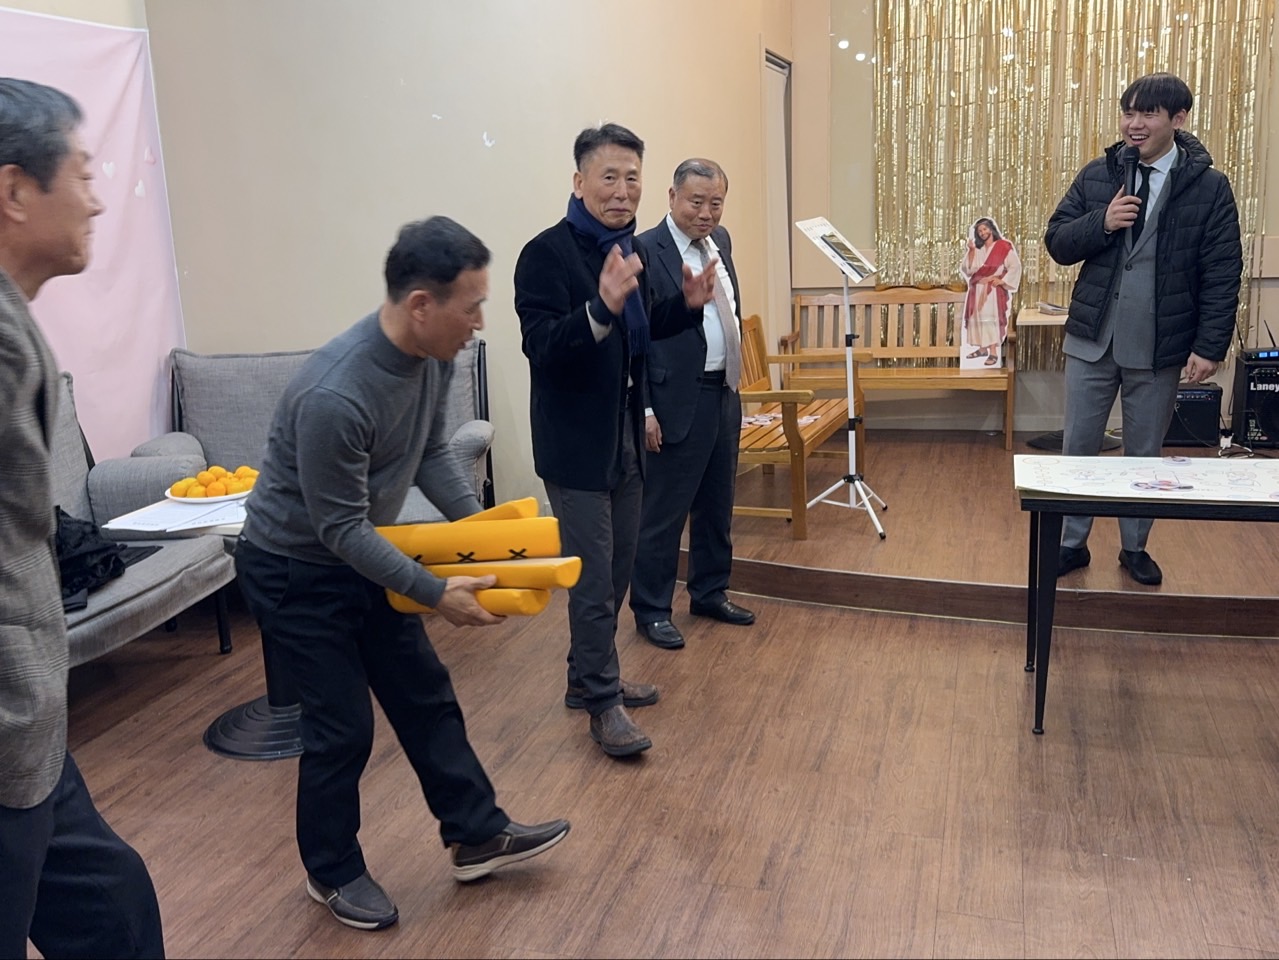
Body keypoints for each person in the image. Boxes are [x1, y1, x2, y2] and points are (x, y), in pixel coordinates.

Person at [235, 216, 570, 932]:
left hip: (362, 550)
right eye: (471, 307)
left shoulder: (434, 357)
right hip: (293, 570)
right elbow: (338, 528)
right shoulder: (335, 393)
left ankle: (475, 835)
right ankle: (331, 872)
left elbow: (429, 455)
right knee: (342, 728)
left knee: (424, 693)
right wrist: (435, 591)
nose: (479, 323)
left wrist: (480, 541)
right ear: (421, 304)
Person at [0, 78, 165, 959]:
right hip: (6, 722)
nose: (98, 198)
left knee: (111, 909)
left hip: (29, 726)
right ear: (15, 191)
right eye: (83, 171)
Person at [514, 124, 717, 757]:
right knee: (593, 579)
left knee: (619, 564)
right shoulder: (545, 254)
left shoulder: (627, 250)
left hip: (625, 435)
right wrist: (597, 310)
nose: (623, 190)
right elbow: (543, 346)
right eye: (610, 177)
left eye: (632, 178)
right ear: (580, 182)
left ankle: (586, 676)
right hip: (575, 446)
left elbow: (643, 324)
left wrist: (685, 305)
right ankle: (603, 704)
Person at [1045, 72, 1242, 585]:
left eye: (1147, 113)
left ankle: (1134, 547)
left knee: (1143, 454)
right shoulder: (1099, 174)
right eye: (1128, 112)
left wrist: (1209, 346)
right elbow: (1057, 241)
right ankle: (1071, 544)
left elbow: (1222, 271)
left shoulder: (1209, 188)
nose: (1134, 124)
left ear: (1178, 119)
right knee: (1078, 446)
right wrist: (1102, 222)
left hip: (1159, 346)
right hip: (1092, 339)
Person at [629, 158, 755, 651]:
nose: (706, 213)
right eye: (696, 202)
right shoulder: (645, 250)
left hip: (724, 392)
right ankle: (651, 609)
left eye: (715, 203)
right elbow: (636, 339)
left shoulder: (720, 242)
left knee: (717, 503)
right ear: (672, 197)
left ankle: (709, 592)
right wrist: (644, 410)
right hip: (674, 398)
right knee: (664, 512)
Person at [960, 217, 1020, 367]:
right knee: (978, 319)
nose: (983, 233)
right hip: (977, 289)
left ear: (991, 229)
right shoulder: (978, 250)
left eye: (985, 229)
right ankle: (982, 349)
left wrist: (1002, 280)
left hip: (992, 291)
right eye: (979, 231)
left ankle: (993, 352)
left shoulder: (1002, 246)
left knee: (990, 319)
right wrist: (971, 250)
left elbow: (1015, 266)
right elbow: (969, 270)